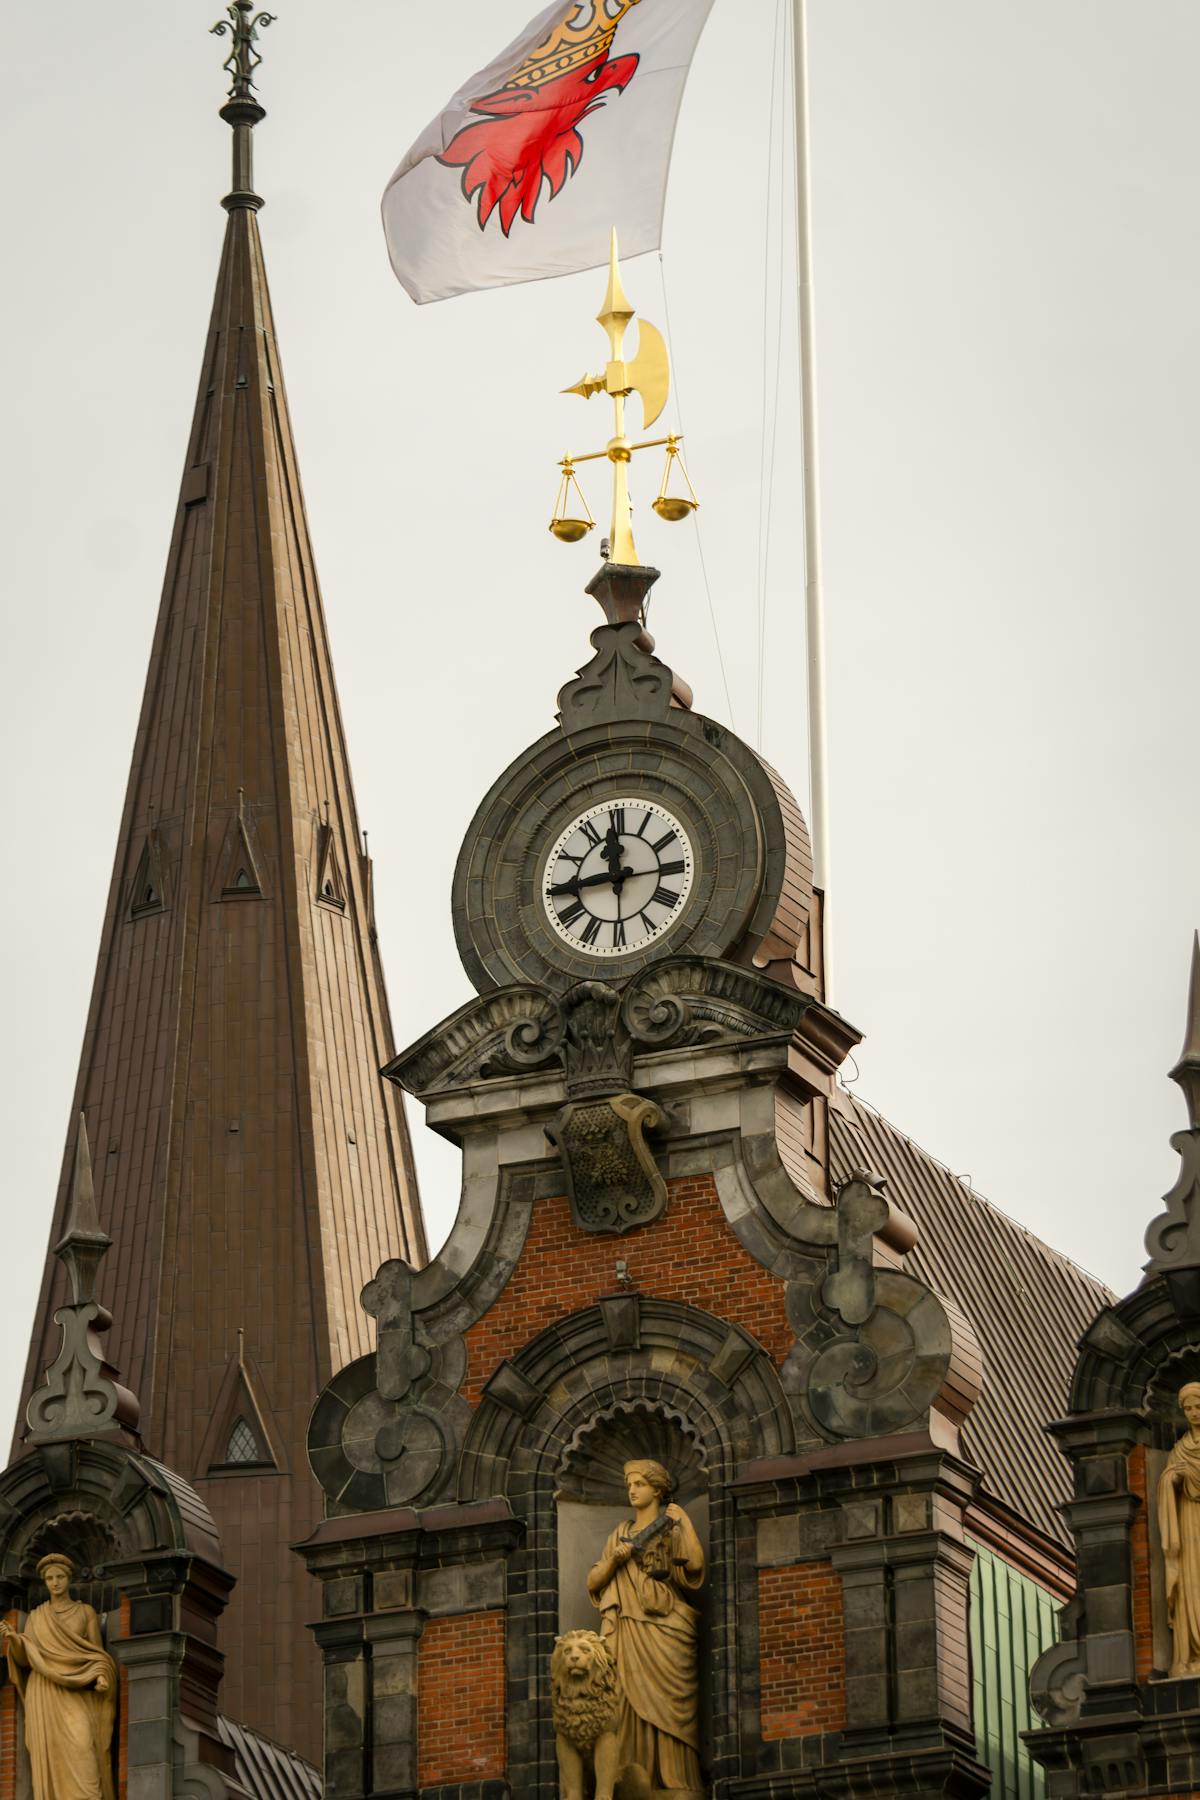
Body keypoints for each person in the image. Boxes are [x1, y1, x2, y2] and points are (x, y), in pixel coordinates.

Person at [587, 1458, 705, 1795]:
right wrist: (614, 1559)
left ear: (657, 1489)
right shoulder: (619, 1534)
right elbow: (593, 1580)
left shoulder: (672, 1523)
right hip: (626, 1628)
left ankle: (677, 1780)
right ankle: (630, 1779)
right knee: (623, 1700)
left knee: (669, 1703)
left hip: (666, 1625)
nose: (632, 1491)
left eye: (638, 1484)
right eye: (629, 1485)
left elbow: (694, 1564)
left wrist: (683, 1522)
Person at [1, 1552, 117, 1800]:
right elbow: (26, 1659)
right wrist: (14, 1640)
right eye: (50, 1578)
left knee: (83, 1746)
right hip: (43, 1691)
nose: (55, 1582)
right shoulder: (35, 1617)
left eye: (60, 1577)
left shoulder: (85, 1612)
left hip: (76, 1690)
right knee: (49, 1753)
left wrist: (100, 1675)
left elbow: (97, 1655)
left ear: (69, 1579)